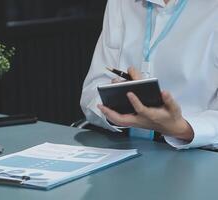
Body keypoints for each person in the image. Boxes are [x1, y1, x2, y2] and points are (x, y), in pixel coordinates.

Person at [80, 0, 218, 149]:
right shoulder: (120, 3)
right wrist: (117, 108)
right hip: (123, 146)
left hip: (201, 153)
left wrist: (183, 129)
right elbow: (92, 93)